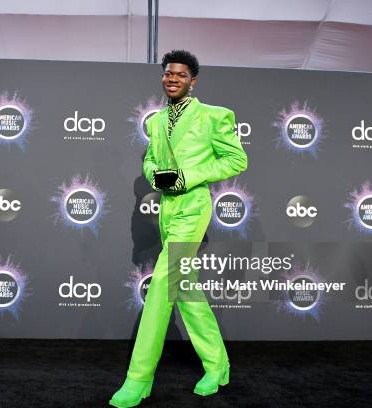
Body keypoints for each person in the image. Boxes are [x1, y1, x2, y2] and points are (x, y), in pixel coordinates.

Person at [109, 49, 248, 407]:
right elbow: (152, 160)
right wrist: (157, 175)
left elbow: (237, 159)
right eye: (168, 74)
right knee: (186, 292)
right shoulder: (156, 122)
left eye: (181, 75)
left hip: (194, 208)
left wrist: (189, 176)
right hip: (167, 210)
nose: (173, 79)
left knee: (161, 285)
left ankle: (139, 377)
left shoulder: (213, 116)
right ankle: (218, 366)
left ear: (193, 80)